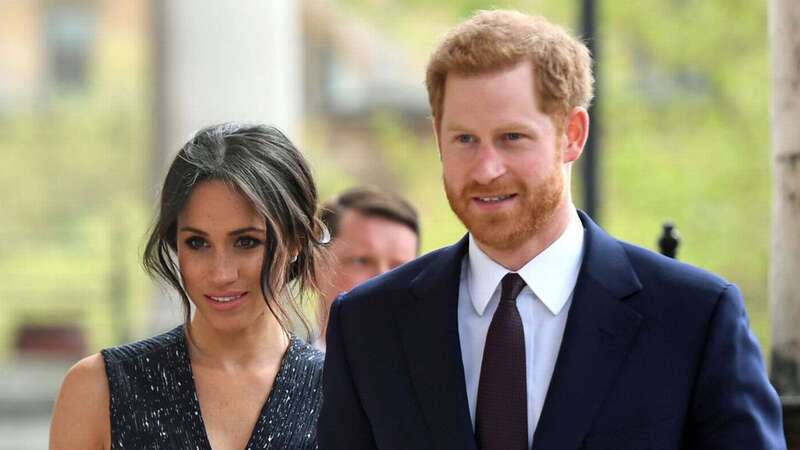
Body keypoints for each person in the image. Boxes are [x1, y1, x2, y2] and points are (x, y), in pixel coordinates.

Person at [318, 9, 785, 450]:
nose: (486, 168)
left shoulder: (694, 319)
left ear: (574, 135)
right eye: (464, 139)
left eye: (512, 138)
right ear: (438, 134)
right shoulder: (368, 326)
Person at [50, 124, 328, 449]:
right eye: (197, 243)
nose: (221, 273)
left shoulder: (340, 392)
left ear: (296, 241)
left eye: (246, 242)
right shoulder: (98, 389)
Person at [315, 187, 419, 350]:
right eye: (361, 262)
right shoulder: (276, 371)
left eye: (400, 267)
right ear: (314, 269)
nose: (384, 280)